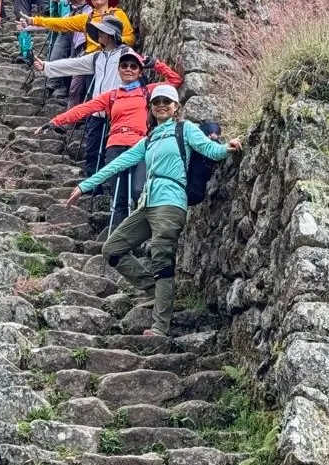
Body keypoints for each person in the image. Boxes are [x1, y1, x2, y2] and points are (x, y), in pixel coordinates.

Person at [66, 84, 243, 337]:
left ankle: (160, 326)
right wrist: (84, 186)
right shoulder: (148, 140)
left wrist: (228, 147)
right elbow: (118, 163)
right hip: (147, 204)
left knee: (161, 256)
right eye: (156, 101)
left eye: (166, 101)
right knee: (112, 249)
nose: (161, 105)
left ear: (175, 107)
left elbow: (210, 149)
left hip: (171, 202)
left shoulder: (185, 130)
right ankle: (153, 289)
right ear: (151, 107)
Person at [45, 47, 183, 229]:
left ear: (140, 71)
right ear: (118, 70)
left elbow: (175, 81)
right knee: (119, 197)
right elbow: (83, 109)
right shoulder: (111, 96)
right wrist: (55, 121)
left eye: (134, 66)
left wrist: (156, 64)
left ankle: (141, 233)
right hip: (116, 146)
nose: (128, 69)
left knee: (138, 190)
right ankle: (118, 244)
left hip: (141, 145)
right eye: (124, 65)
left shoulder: (147, 92)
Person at [33, 15, 128, 176]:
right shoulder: (98, 56)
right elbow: (74, 64)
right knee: (92, 152)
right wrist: (46, 66)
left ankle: (110, 191)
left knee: (113, 153)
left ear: (112, 35)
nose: (99, 35)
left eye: (102, 32)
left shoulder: (126, 55)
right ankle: (94, 188)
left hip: (118, 113)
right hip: (97, 112)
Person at [21, 0, 135, 54]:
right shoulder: (86, 18)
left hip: (113, 55)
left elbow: (130, 38)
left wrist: (113, 42)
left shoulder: (118, 14)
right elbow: (61, 23)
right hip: (90, 57)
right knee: (76, 88)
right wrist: (33, 20)